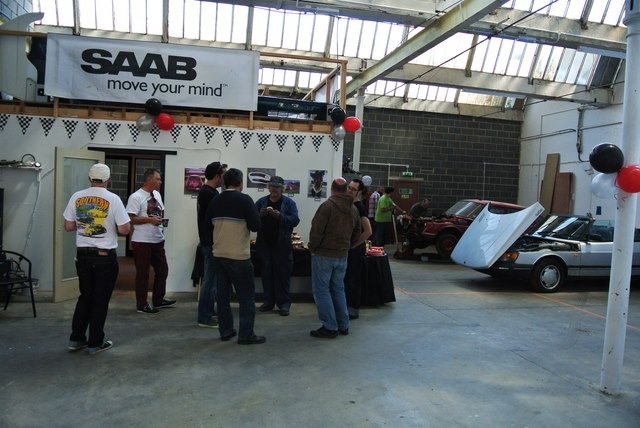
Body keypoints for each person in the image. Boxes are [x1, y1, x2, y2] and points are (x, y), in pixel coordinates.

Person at [63, 163, 131, 354]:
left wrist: (86, 226)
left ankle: (75, 339)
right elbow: (124, 229)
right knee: (100, 300)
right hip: (104, 258)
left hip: (83, 256)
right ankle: (95, 342)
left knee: (85, 297)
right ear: (108, 179)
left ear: (89, 178)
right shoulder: (113, 199)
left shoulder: (77, 197)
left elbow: (68, 226)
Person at [207, 168, 265, 345]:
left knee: (223, 296)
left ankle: (226, 331)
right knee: (246, 297)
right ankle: (246, 334)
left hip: (219, 254)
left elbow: (206, 228)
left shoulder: (215, 200)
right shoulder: (245, 200)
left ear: (225, 183)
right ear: (241, 182)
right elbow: (255, 226)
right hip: (239, 256)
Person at [308, 177, 361, 339]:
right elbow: (357, 232)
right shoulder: (353, 209)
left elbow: (316, 231)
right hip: (342, 255)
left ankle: (330, 327)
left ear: (331, 189)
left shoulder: (327, 206)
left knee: (322, 291)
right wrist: (347, 246)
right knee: (338, 289)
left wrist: (312, 248)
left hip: (324, 255)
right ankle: (343, 324)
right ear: (345, 189)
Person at [126, 168, 175, 314]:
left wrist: (159, 221)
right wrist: (149, 220)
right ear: (149, 180)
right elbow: (130, 218)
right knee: (143, 274)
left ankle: (158, 300)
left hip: (157, 240)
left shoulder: (157, 195)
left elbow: (157, 213)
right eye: (158, 179)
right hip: (142, 241)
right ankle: (142, 305)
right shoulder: (136, 197)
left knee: (163, 270)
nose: (160, 181)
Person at [255, 176, 300, 316]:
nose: (273, 189)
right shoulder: (261, 202)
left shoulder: (289, 203)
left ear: (282, 189)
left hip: (282, 244)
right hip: (264, 244)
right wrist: (259, 215)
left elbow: (295, 220)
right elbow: (251, 220)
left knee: (283, 274)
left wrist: (280, 216)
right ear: (269, 187)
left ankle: (284, 304)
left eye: (277, 187)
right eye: (272, 186)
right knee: (266, 274)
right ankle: (269, 302)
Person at [196, 161, 227, 328]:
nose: (225, 178)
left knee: (211, 280)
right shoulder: (209, 194)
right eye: (223, 175)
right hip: (211, 243)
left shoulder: (207, 192)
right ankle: (205, 317)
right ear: (217, 176)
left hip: (209, 241)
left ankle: (208, 312)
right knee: (210, 280)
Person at [345, 178, 373, 320]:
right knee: (346, 278)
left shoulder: (359, 207)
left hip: (355, 250)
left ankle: (353, 308)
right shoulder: (347, 204)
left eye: (353, 189)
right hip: (346, 249)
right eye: (348, 187)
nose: (349, 190)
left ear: (359, 192)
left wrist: (354, 245)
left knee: (353, 279)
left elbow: (368, 231)